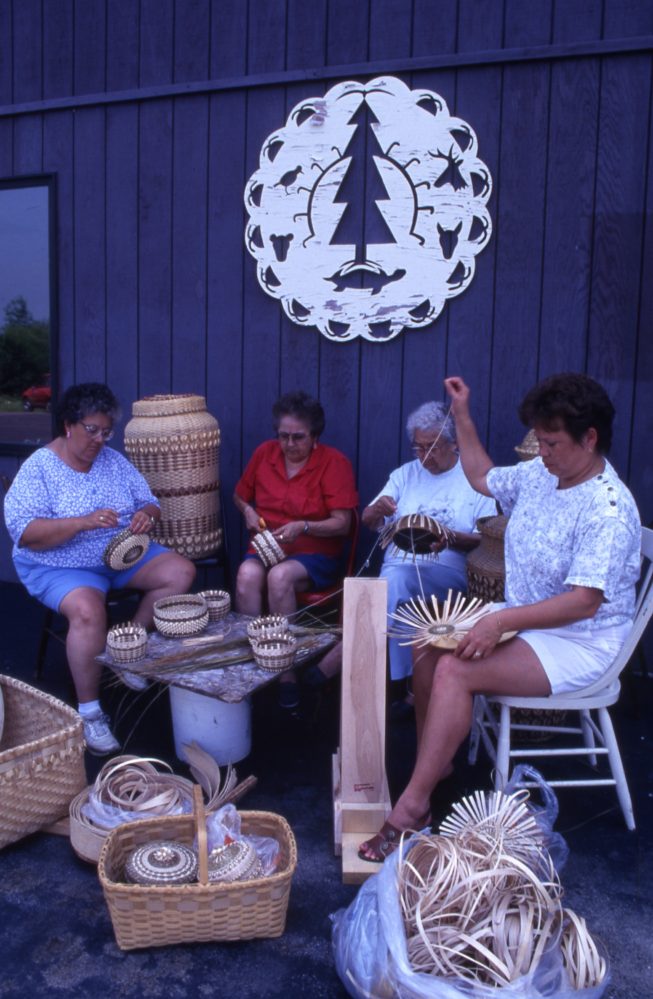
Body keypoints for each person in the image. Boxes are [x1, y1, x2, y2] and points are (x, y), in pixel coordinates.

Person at [359, 372, 641, 862]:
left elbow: (583, 602)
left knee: (455, 667)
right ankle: (437, 762)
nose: (543, 451)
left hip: (579, 638)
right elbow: (481, 476)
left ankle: (413, 806)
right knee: (428, 638)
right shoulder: (543, 475)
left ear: (590, 438)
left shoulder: (608, 508)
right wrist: (462, 414)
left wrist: (498, 622)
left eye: (552, 442)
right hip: (526, 617)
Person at [4, 383, 196, 755]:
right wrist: (83, 521)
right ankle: (90, 713)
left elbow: (150, 501)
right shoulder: (40, 469)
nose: (99, 440)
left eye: (106, 432)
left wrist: (145, 516)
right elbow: (26, 534)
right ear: (68, 425)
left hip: (118, 554)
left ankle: (125, 647)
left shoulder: (112, 461)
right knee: (89, 612)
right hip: (58, 564)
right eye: (91, 430)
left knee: (180, 572)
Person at [233, 390, 358, 708]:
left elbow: (342, 523)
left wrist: (303, 525)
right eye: (283, 436)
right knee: (247, 574)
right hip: (268, 545)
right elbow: (240, 495)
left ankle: (285, 671)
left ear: (315, 436)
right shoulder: (265, 454)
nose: (289, 444)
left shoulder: (333, 463)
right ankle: (251, 660)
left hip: (316, 553)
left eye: (298, 437)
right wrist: (247, 511)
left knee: (279, 577)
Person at [361, 401, 495, 694]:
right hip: (398, 564)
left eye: (432, 447)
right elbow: (368, 518)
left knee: (391, 586)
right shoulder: (404, 475)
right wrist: (377, 509)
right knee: (397, 585)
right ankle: (410, 683)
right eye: (418, 448)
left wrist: (450, 537)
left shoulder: (474, 479)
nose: (424, 456)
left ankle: (384, 677)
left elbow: (486, 539)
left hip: (449, 568)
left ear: (454, 443)